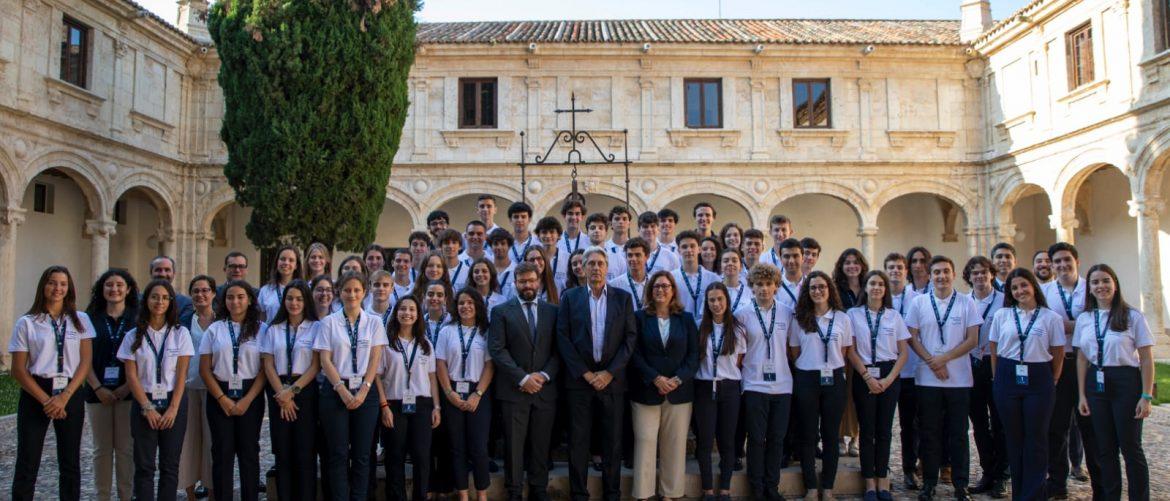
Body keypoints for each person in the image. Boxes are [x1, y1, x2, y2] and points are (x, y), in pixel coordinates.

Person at [557, 246, 638, 501]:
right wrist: (585, 373)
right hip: (579, 383)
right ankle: (579, 493)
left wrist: (609, 373)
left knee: (612, 442)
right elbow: (563, 337)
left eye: (599, 263)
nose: (595, 268)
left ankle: (611, 493)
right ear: (582, 268)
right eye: (589, 263)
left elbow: (630, 339)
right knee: (579, 442)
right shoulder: (570, 297)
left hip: (612, 382)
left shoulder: (622, 298)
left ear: (607, 267)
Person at [9, 266, 95, 501]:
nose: (57, 288)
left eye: (63, 284)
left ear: (69, 289)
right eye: (52, 283)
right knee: (28, 459)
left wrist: (65, 396)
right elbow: (17, 369)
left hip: (71, 390)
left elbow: (85, 361)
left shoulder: (81, 320)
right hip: (37, 392)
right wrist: (47, 400)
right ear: (43, 286)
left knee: (70, 461)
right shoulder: (27, 322)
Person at [1075, 263, 1152, 501]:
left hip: (1125, 383)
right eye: (1095, 282)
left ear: (1115, 284)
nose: (1101, 286)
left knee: (1130, 448)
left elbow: (1147, 359)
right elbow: (1081, 358)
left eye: (1105, 281)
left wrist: (1146, 396)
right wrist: (1082, 395)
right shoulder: (1085, 318)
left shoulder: (1132, 316)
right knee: (1105, 449)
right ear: (1089, 288)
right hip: (1096, 386)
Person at [905, 256, 980, 500]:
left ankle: (960, 485)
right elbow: (912, 337)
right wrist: (932, 362)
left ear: (954, 274)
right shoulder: (919, 303)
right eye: (936, 272)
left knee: (958, 433)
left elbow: (972, 339)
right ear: (929, 275)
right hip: (927, 379)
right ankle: (929, 483)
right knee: (929, 432)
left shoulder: (967, 303)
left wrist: (944, 359)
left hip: (958, 380)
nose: (941, 276)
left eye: (946, 271)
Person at [988, 268, 1065, 501]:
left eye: (1024, 285)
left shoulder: (1051, 318)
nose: (1020, 291)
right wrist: (997, 378)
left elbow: (1058, 352)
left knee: (1037, 439)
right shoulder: (1003, 315)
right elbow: (994, 348)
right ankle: (1019, 494)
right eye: (1014, 287)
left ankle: (1033, 495)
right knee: (1014, 438)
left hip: (1039, 378)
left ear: (1033, 286)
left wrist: (1052, 379)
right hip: (1007, 376)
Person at [488, 262, 560, 501]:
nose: (527, 285)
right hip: (513, 390)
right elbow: (497, 350)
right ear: (515, 283)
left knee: (541, 444)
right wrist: (523, 378)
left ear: (539, 281)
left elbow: (559, 350)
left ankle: (539, 489)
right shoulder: (501, 312)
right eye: (522, 281)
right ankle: (515, 491)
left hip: (544, 389)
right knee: (513, 446)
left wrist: (543, 375)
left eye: (531, 280)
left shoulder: (553, 311)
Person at [120, 279, 196, 501]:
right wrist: (147, 407)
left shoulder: (180, 334)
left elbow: (182, 375)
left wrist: (173, 409)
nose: (159, 301)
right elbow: (131, 375)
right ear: (146, 301)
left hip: (175, 402)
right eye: (154, 297)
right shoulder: (133, 335)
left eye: (165, 297)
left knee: (170, 466)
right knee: (144, 466)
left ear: (171, 301)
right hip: (145, 402)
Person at [314, 272, 387, 500]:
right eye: (347, 290)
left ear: (364, 292)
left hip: (366, 392)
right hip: (335, 391)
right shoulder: (329, 322)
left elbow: (375, 358)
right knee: (337, 453)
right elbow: (325, 359)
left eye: (356, 290)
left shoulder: (374, 322)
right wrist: (342, 389)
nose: (352, 294)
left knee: (363, 454)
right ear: (339, 292)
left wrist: (364, 388)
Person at [629, 271, 699, 501]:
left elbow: (693, 355)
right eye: (656, 286)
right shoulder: (639, 318)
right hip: (646, 390)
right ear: (650, 290)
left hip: (679, 392)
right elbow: (634, 353)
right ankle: (644, 493)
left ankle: (670, 493)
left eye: (666, 286)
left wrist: (677, 379)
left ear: (673, 290)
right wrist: (655, 378)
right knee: (645, 442)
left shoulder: (686, 319)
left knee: (674, 445)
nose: (661, 290)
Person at [1041, 242, 1101, 499]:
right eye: (1058, 262)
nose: (1063, 265)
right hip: (1059, 362)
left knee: (1092, 427)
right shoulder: (1044, 291)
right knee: (1057, 426)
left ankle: (1101, 486)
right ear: (1052, 265)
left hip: (1088, 363)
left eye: (1067, 260)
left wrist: (1067, 325)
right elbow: (1043, 324)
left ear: (1076, 261)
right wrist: (1077, 324)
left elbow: (1099, 322)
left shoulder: (1093, 288)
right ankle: (1057, 484)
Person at [199, 279, 267, 501]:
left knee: (249, 453)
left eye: (240, 297)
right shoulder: (214, 330)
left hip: (251, 394)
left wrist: (247, 399)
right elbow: (205, 369)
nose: (235, 301)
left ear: (249, 300)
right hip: (220, 394)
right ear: (223, 301)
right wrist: (221, 398)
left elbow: (265, 369)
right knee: (222, 453)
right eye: (230, 297)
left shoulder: (262, 329)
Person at [846, 270, 911, 501]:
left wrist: (888, 379)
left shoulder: (894, 316)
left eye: (880, 284)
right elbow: (850, 350)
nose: (876, 288)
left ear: (885, 289)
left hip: (888, 375)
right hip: (864, 375)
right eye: (872, 283)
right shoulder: (853, 314)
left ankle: (882, 478)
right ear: (865, 287)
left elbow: (903, 353)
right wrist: (867, 377)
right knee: (867, 430)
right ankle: (869, 482)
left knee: (884, 431)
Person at [790, 271, 853, 501]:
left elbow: (844, 352)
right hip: (806, 378)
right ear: (807, 292)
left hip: (834, 379)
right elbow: (795, 352)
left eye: (821, 287)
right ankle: (810, 488)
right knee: (807, 435)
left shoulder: (842, 319)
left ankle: (827, 488)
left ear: (830, 290)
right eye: (813, 288)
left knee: (830, 435)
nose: (817, 291)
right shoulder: (799, 319)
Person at [734, 263, 794, 500]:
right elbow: (739, 354)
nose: (764, 289)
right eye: (759, 284)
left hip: (782, 385)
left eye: (768, 284)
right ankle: (756, 488)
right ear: (752, 287)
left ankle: (772, 487)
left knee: (776, 440)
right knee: (757, 440)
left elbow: (792, 348)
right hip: (754, 384)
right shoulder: (742, 314)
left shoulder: (788, 313)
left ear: (776, 286)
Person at [260, 279, 320, 501]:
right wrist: (282, 396)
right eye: (289, 298)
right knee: (283, 454)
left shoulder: (316, 327)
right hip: (278, 392)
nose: (294, 303)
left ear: (306, 301)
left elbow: (315, 365)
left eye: (299, 299)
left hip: (304, 391)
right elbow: (267, 363)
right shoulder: (273, 329)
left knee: (305, 454)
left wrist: (292, 391)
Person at [377, 295, 441, 501]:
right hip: (394, 404)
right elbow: (377, 376)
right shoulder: (387, 344)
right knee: (395, 456)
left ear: (418, 315)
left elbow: (432, 378)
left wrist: (436, 406)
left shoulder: (426, 345)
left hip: (421, 405)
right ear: (396, 314)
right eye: (403, 309)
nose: (407, 313)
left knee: (422, 457)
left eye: (412, 309)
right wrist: (383, 405)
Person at [85, 268, 139, 501]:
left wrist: (127, 386)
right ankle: (103, 496)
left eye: (119, 285)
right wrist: (98, 387)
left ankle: (126, 496)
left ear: (128, 289)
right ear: (102, 288)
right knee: (101, 450)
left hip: (129, 392)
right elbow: (82, 357)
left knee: (126, 450)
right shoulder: (90, 318)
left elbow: (143, 357)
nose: (114, 289)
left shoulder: (137, 318)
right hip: (97, 392)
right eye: (109, 284)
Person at [436, 289, 495, 501]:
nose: (465, 306)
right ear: (455, 306)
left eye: (470, 302)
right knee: (457, 447)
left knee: (478, 447)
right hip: (452, 393)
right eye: (461, 303)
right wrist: (449, 393)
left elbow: (490, 366)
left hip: (478, 392)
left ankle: (481, 494)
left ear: (477, 305)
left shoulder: (486, 331)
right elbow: (440, 363)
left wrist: (477, 394)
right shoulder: (447, 331)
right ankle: (462, 494)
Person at [693, 282, 745, 501]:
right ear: (706, 303)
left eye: (720, 299)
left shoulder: (738, 329)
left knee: (727, 440)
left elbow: (740, 361)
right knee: (705, 440)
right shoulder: (698, 326)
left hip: (729, 387)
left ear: (727, 301)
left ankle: (724, 488)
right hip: (704, 387)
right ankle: (707, 489)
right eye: (712, 300)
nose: (716, 304)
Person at [963, 256, 1008, 497]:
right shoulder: (963, 302)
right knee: (979, 424)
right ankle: (987, 471)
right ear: (968, 277)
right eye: (974, 273)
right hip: (971, 366)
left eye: (983, 272)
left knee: (1000, 423)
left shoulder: (1004, 301)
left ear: (991, 273)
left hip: (997, 365)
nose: (979, 276)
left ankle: (1002, 475)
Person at [884, 252, 922, 490]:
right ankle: (882, 469)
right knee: (883, 425)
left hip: (912, 372)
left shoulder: (918, 299)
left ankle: (909, 469)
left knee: (911, 425)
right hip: (887, 371)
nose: (895, 271)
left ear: (906, 271)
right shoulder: (879, 297)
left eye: (899, 267)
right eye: (891, 268)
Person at [180, 275, 217, 500]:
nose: (200, 295)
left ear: (213, 293)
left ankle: (212, 491)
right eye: (195, 291)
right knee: (188, 442)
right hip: (187, 387)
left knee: (212, 442)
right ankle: (190, 493)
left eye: (205, 290)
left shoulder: (222, 320)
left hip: (215, 389)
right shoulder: (183, 320)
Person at [831, 249, 867, 457]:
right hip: (842, 350)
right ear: (841, 266)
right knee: (841, 395)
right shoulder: (836, 290)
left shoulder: (868, 288)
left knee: (859, 395)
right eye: (847, 263)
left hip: (865, 349)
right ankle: (839, 438)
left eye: (855, 262)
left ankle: (856, 438)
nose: (852, 266)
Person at [673, 230, 722, 325]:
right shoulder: (672, 278)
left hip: (706, 328)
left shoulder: (714, 278)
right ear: (679, 250)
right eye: (684, 247)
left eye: (692, 246)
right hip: (681, 328)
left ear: (699, 249)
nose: (689, 250)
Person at [258, 245, 303, 322]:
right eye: (282, 259)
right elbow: (261, 321)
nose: (286, 263)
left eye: (291, 260)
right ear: (277, 262)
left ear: (296, 266)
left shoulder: (304, 290)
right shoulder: (265, 291)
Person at [609, 237, 651, 311]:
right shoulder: (615, 285)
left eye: (638, 255)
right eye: (630, 255)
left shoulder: (654, 282)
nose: (633, 259)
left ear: (647, 257)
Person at [149, 255, 195, 321]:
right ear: (151, 273)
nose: (163, 274)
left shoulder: (185, 303)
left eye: (167, 270)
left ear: (173, 274)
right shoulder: (138, 300)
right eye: (158, 270)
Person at [536, 216, 569, 292]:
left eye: (552, 232)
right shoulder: (533, 259)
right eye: (544, 232)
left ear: (559, 235)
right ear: (538, 236)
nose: (548, 236)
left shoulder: (567, 258)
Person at [776, 238, 805, 310]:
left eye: (795, 256)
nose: (791, 261)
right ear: (780, 259)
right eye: (786, 256)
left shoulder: (810, 284)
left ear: (803, 258)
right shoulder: (774, 285)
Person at [718, 247, 749, 313]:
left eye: (734, 261)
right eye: (726, 261)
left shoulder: (750, 292)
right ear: (721, 266)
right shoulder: (713, 291)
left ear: (741, 266)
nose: (730, 263)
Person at [489, 228, 518, 297]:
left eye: (503, 243)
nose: (499, 247)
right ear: (491, 246)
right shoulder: (486, 269)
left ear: (509, 246)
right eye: (495, 244)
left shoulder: (517, 270)